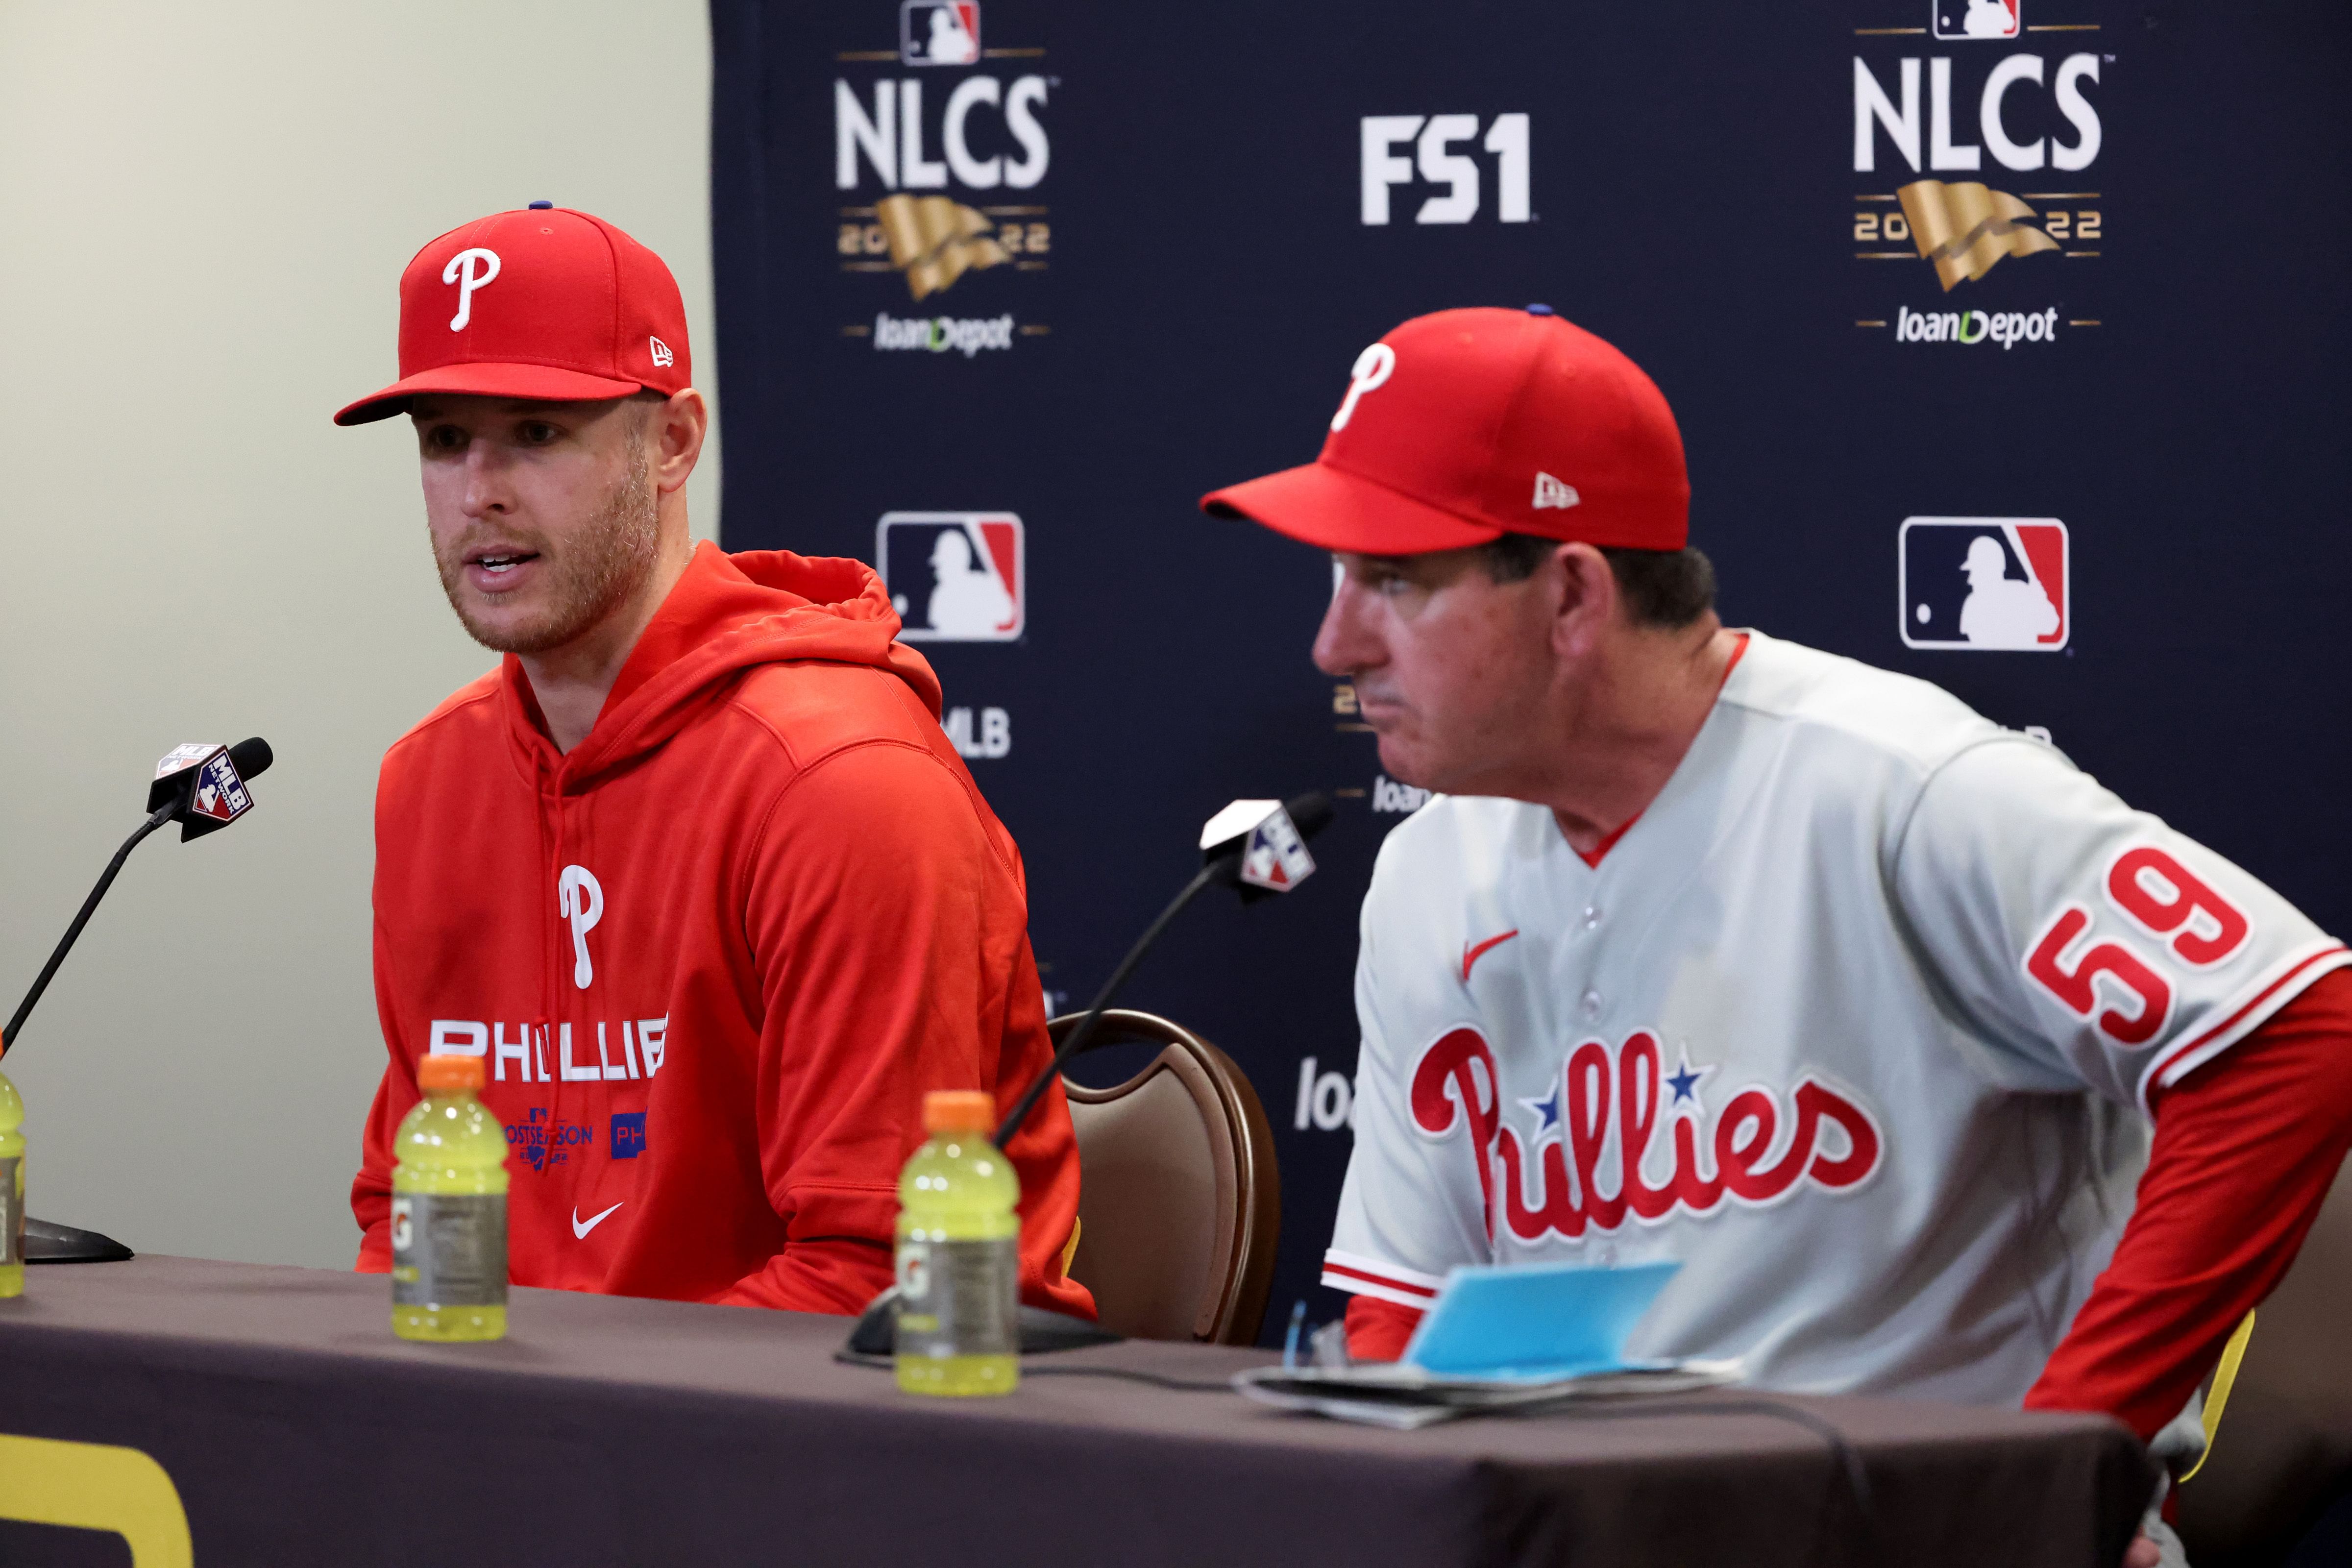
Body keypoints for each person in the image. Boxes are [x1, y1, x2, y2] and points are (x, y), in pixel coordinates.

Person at [1201, 305, 2352, 1564]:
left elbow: (2295, 1026)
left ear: (1572, 595)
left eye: (1394, 581)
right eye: (1337, 578)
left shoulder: (1900, 787)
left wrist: (2061, 1457)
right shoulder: (1432, 864)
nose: (1333, 645)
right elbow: (1401, 1303)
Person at [336, 203, 1091, 1319]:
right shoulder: (429, 780)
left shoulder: (841, 780)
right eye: (445, 438)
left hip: (846, 1448)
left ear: (674, 443)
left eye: (538, 433)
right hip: (535, 1441)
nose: (479, 489)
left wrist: (552, 1442)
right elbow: (405, 1203)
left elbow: (872, 1276)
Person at [1959, 534, 2060, 647]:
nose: (1970, 580)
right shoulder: (1974, 604)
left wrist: (2040, 601)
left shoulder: (2022, 593)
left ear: (1989, 571)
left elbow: (2051, 626)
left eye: (1976, 572)